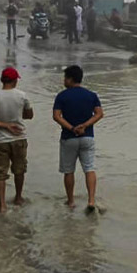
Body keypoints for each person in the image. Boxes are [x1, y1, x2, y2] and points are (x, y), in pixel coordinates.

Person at [52, 65, 104, 211]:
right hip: (87, 137)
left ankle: (71, 202)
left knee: (69, 171)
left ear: (70, 79)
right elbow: (99, 114)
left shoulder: (62, 96)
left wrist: (72, 128)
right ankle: (91, 201)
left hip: (69, 137)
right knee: (89, 168)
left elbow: (56, 116)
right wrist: (85, 126)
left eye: (65, 78)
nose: (63, 81)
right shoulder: (91, 95)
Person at [0, 67, 33, 213]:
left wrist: (5, 125)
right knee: (19, 169)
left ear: (2, 80)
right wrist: (15, 121)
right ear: (15, 80)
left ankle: (2, 206)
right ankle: (18, 198)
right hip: (19, 138)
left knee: (0, 173)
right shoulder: (22, 96)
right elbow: (29, 115)